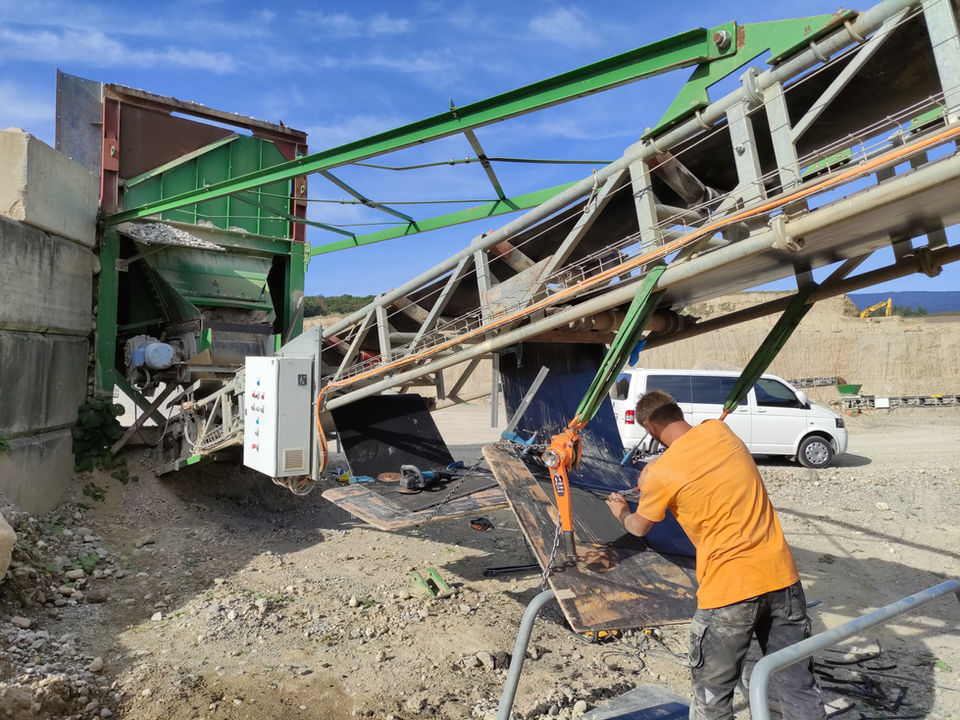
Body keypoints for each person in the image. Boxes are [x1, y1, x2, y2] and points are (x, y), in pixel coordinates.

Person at [605, 390, 826, 720]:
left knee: (712, 694)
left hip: (729, 593)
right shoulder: (720, 431)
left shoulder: (660, 473)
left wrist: (622, 511)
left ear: (649, 427)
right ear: (678, 412)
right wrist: (657, 469)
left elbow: (639, 528)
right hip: (783, 578)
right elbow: (699, 462)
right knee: (797, 683)